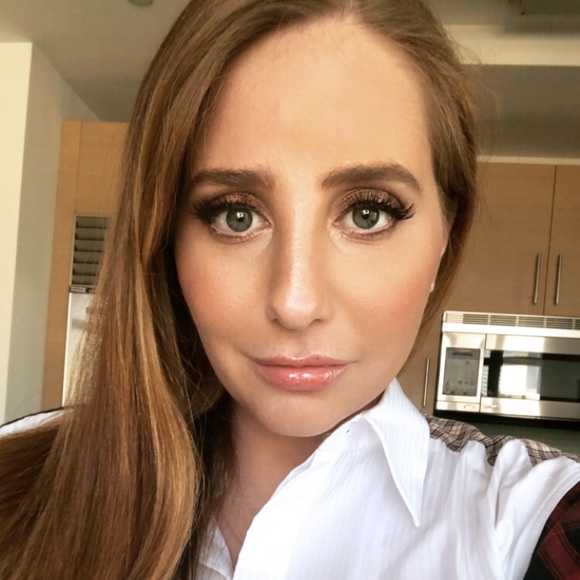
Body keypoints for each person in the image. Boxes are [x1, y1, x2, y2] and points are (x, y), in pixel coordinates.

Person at [0, 0, 579, 578]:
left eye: (369, 213)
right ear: (166, 237)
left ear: (446, 235)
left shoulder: (530, 520)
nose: (295, 302)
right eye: (236, 216)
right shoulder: (18, 477)